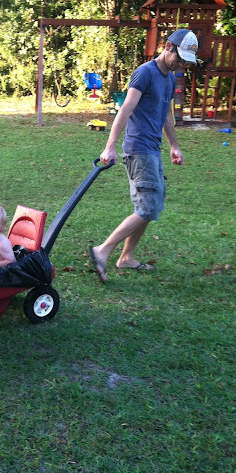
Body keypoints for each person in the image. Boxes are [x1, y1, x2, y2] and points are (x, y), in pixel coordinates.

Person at [90, 28, 198, 283]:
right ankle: (102, 250)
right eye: (180, 58)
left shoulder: (169, 78)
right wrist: (110, 146)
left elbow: (165, 115)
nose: (181, 65)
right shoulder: (145, 73)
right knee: (148, 207)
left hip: (153, 149)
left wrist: (174, 146)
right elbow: (125, 109)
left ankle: (126, 257)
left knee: (151, 205)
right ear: (168, 46)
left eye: (186, 62)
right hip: (138, 149)